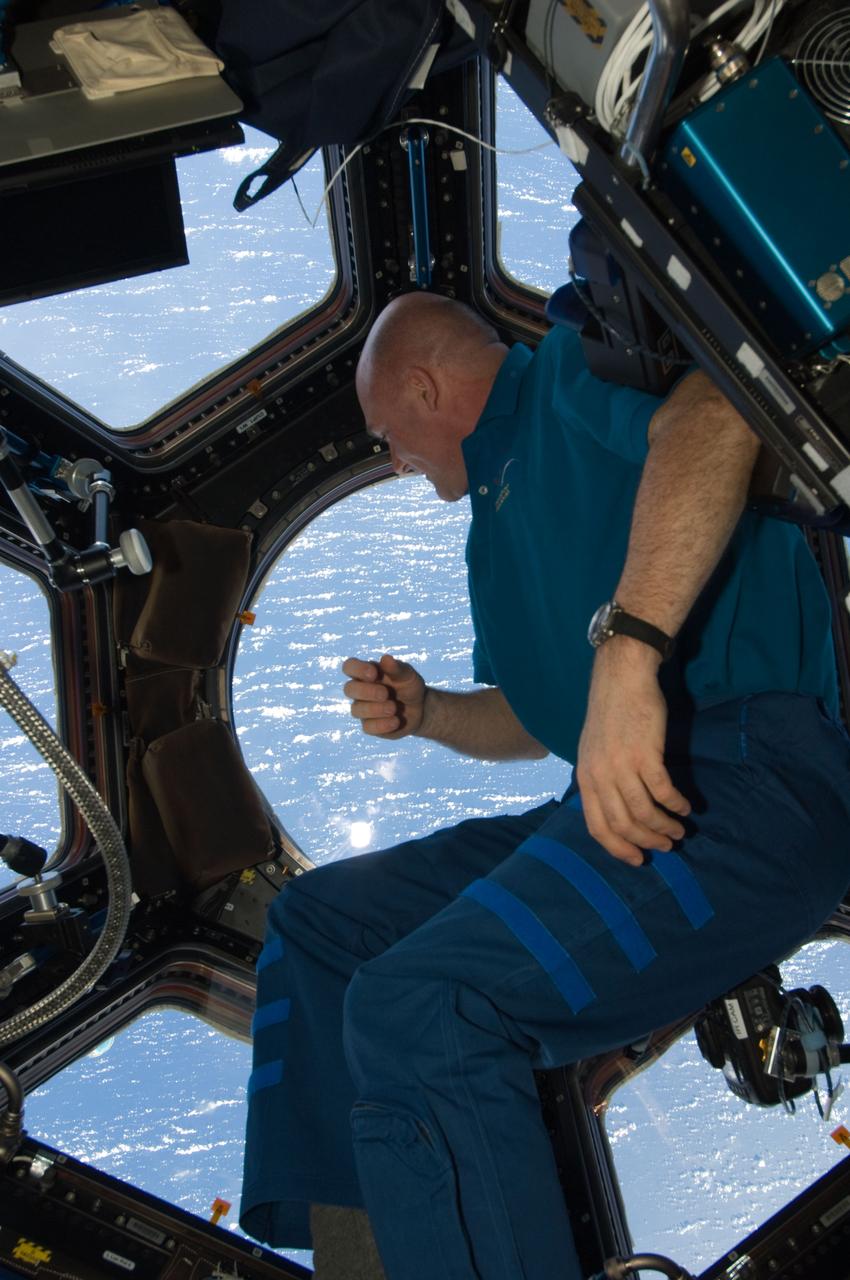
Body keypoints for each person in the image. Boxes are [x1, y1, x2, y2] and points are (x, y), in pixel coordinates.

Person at [240, 291, 850, 1280]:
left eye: (385, 434)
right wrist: (432, 709)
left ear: (428, 387)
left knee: (424, 999)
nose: (392, 460)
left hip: (750, 782)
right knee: (321, 926)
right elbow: (542, 717)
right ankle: (380, 1250)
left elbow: (719, 411)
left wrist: (631, 650)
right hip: (616, 801)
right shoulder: (493, 531)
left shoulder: (567, 375)